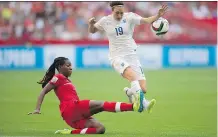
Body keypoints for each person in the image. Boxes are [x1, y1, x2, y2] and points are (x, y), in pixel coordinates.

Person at [28, 57, 156, 135]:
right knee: (101, 105)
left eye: (71, 66)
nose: (71, 68)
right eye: (68, 66)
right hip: (71, 108)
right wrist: (37, 109)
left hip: (71, 118)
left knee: (100, 129)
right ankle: (135, 106)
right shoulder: (58, 77)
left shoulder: (65, 79)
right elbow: (43, 91)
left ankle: (70, 132)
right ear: (60, 67)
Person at [88, 2, 167, 105]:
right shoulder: (105, 20)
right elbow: (92, 30)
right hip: (116, 56)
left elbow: (146, 20)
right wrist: (90, 24)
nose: (120, 15)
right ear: (112, 11)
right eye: (117, 13)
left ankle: (129, 92)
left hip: (131, 55)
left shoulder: (130, 17)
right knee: (133, 77)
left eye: (121, 13)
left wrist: (158, 16)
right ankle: (144, 103)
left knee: (143, 89)